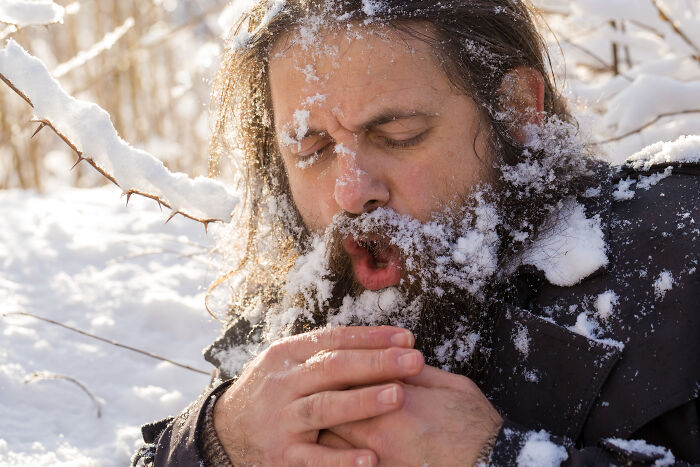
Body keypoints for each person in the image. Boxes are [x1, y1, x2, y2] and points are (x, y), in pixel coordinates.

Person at [132, 0, 700, 465]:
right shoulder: (304, 303)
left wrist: (493, 458)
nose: (350, 192)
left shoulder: (679, 252)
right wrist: (217, 441)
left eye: (399, 133)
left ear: (517, 109)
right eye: (313, 149)